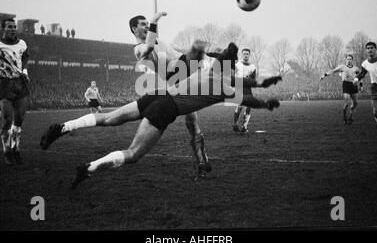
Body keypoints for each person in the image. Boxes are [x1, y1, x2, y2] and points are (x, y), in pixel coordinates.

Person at [39, 43, 282, 189]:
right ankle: (89, 168)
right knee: (133, 153)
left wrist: (262, 80)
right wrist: (266, 102)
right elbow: (246, 95)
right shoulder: (225, 87)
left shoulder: (211, 71)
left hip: (155, 95)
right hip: (166, 108)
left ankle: (63, 127)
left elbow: (240, 76)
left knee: (109, 117)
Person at [131, 12, 211, 179]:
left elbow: (174, 53)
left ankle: (203, 163)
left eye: (147, 24)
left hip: (183, 66)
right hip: (175, 78)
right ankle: (203, 163)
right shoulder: (139, 49)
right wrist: (154, 21)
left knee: (203, 48)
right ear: (133, 28)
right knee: (191, 120)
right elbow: (149, 47)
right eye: (143, 24)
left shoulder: (157, 39)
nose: (146, 26)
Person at [0, 18, 30, 164]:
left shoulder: (22, 44)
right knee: (7, 120)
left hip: (19, 83)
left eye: (14, 27)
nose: (12, 29)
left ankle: (16, 148)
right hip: (4, 84)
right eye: (9, 26)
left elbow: (25, 57)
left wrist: (24, 70)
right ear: (2, 28)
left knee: (19, 120)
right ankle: (7, 152)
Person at [320, 54, 361, 124]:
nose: (349, 60)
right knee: (347, 100)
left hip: (354, 85)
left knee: (355, 103)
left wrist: (361, 85)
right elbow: (333, 71)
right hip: (346, 84)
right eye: (348, 59)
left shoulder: (356, 69)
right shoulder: (342, 67)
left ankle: (351, 116)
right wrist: (324, 75)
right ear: (346, 60)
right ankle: (344, 117)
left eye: (350, 59)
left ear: (352, 60)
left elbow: (360, 77)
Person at [232, 48, 257, 134]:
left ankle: (244, 127)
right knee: (240, 106)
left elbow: (253, 79)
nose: (246, 55)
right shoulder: (237, 65)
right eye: (244, 53)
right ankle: (235, 124)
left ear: (249, 55)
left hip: (247, 88)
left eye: (247, 54)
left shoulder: (253, 67)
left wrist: (249, 78)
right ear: (242, 55)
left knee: (249, 107)